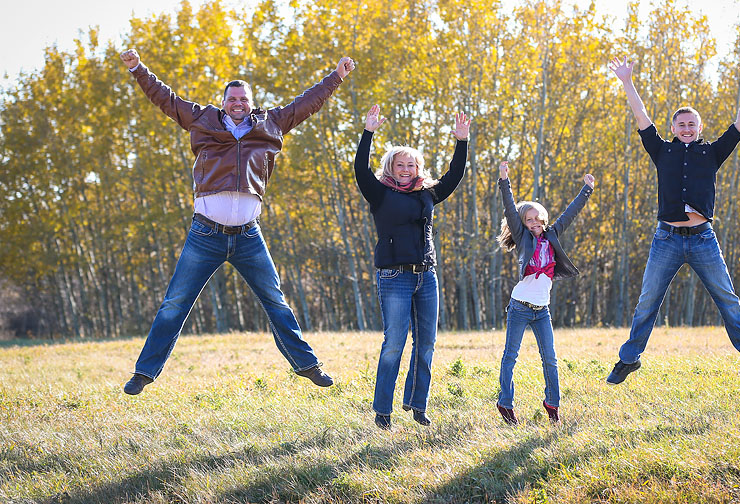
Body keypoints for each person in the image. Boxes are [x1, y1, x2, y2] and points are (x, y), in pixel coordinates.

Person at [118, 48, 355, 396]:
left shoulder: (271, 123)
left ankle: (308, 365)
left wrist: (336, 77)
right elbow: (165, 98)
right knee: (175, 303)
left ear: (251, 102)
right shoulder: (201, 120)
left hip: (248, 236)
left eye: (243, 98)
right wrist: (138, 69)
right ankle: (144, 373)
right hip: (205, 234)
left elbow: (307, 103)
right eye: (232, 99)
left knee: (275, 300)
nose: (237, 103)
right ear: (224, 102)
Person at [604, 55, 740, 384]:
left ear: (699, 128)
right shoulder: (661, 151)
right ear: (672, 128)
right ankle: (628, 359)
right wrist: (627, 81)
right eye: (680, 124)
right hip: (666, 239)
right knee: (648, 300)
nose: (686, 128)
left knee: (727, 296)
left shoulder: (711, 152)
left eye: (691, 124)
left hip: (702, 239)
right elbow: (641, 115)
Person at [354, 104, 469, 429]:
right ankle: (383, 412)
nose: (405, 169)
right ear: (391, 167)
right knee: (394, 344)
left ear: (418, 167)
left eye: (411, 164)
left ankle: (418, 405)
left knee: (427, 343)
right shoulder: (379, 193)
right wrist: (368, 132)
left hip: (426, 276)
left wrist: (461, 142)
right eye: (400, 164)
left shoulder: (426, 193)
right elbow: (360, 169)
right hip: (393, 277)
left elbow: (454, 176)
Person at [495, 161, 594, 425]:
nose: (534, 222)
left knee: (550, 360)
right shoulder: (523, 237)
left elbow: (569, 215)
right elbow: (509, 208)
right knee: (510, 357)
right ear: (523, 224)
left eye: (538, 217)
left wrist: (586, 190)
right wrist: (504, 180)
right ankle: (505, 404)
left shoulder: (552, 235)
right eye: (529, 220)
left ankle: (552, 404)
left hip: (542, 311)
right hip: (519, 307)